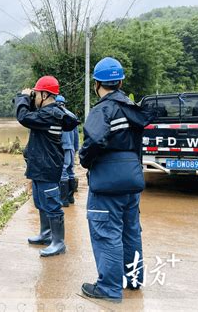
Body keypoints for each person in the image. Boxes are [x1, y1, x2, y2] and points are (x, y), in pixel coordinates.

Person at [79, 57, 153, 302]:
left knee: (106, 232)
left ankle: (109, 289)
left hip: (107, 184)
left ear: (97, 84)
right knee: (131, 232)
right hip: (131, 181)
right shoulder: (132, 108)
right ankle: (133, 279)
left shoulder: (102, 110)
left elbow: (94, 141)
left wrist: (85, 159)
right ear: (120, 81)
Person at [15, 75, 79, 257]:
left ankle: (58, 243)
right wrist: (27, 98)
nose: (33, 98)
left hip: (47, 167)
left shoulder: (50, 113)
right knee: (41, 202)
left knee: (52, 205)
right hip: (40, 166)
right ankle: (45, 234)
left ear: (43, 95)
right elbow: (29, 117)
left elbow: (23, 117)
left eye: (35, 95)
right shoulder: (46, 113)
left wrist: (23, 98)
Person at [55, 95, 79, 206]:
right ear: (64, 103)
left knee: (63, 172)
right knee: (70, 170)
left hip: (61, 147)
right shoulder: (71, 115)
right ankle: (70, 198)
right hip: (70, 147)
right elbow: (76, 135)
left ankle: (63, 200)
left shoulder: (56, 114)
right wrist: (76, 148)